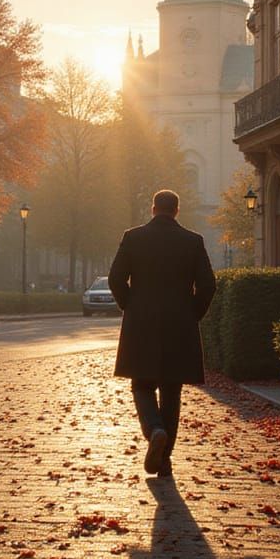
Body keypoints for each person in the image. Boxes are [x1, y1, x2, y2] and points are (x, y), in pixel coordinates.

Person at [108, 189, 216, 479]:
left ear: (153, 209)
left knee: (141, 385)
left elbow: (115, 277)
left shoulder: (133, 237)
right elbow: (208, 286)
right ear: (177, 211)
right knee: (172, 391)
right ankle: (164, 462)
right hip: (179, 325)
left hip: (141, 323)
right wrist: (192, 313)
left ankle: (154, 430)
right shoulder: (193, 241)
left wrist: (129, 305)